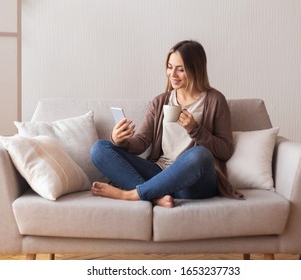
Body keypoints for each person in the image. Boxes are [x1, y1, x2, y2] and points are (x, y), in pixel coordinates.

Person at [90, 40, 240, 208]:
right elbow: (141, 142)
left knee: (200, 154)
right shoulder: (160, 101)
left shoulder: (215, 100)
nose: (172, 74)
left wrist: (195, 129)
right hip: (160, 174)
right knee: (99, 149)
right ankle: (154, 197)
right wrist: (119, 140)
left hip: (193, 183)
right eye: (170, 67)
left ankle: (132, 194)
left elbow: (226, 150)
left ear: (196, 69)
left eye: (180, 69)